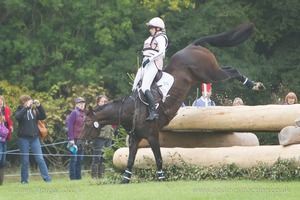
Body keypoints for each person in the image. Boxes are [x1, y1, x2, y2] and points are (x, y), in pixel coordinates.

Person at [132, 17, 169, 121]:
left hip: (153, 63)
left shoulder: (161, 37)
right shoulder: (152, 37)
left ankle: (153, 112)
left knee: (145, 87)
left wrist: (149, 59)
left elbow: (162, 52)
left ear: (158, 28)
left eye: (152, 28)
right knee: (135, 86)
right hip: (146, 63)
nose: (150, 30)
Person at [14, 94, 51, 184]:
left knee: (40, 158)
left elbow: (43, 116)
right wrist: (26, 107)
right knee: (25, 160)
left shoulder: (34, 110)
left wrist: (39, 106)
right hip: (23, 139)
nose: (30, 102)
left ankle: (47, 178)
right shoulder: (19, 110)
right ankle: (24, 180)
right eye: (28, 100)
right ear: (23, 102)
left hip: (35, 138)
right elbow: (18, 117)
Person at [91, 95, 115, 179]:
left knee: (105, 157)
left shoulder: (109, 111)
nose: (104, 103)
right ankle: (94, 176)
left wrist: (113, 128)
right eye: (102, 101)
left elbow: (114, 122)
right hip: (99, 137)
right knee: (97, 157)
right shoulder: (95, 112)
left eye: (106, 101)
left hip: (109, 137)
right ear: (98, 103)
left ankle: (102, 176)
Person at [67, 97, 86, 180]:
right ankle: (73, 177)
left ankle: (79, 177)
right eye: (80, 103)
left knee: (80, 159)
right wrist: (71, 139)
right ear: (76, 104)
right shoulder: (74, 113)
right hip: (73, 139)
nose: (82, 105)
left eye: (83, 103)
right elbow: (69, 126)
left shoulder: (85, 114)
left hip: (81, 139)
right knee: (73, 159)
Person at [0, 95, 14, 185]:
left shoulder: (6, 110)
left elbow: (9, 120)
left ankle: (1, 181)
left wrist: (11, 125)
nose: (0, 102)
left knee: (3, 161)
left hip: (4, 138)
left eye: (1, 100)